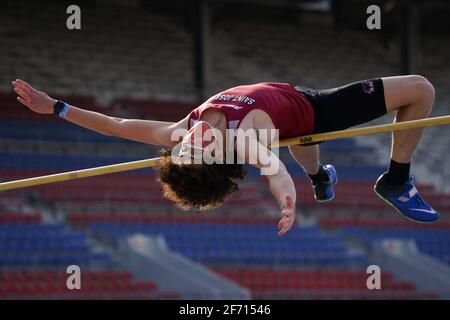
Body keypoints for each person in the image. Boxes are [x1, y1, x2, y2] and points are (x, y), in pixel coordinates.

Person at [11, 75, 438, 236]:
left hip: (291, 106)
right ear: (217, 154)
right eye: (196, 147)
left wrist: (57, 108)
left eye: (182, 148)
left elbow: (116, 126)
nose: (189, 137)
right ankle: (396, 180)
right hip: (314, 111)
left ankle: (321, 179)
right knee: (420, 90)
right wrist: (286, 201)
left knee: (308, 155)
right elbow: (274, 172)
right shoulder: (248, 138)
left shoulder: (181, 132)